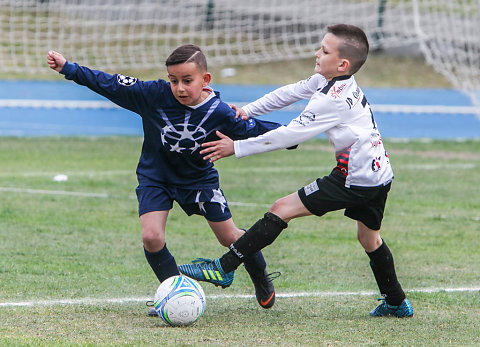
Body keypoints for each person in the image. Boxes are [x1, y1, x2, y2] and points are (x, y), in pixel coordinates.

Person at [179, 24, 413, 317]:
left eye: (325, 51)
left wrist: (236, 147)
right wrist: (248, 111)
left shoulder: (332, 99)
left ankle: (224, 268)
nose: (317, 53)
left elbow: (290, 135)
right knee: (369, 239)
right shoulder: (332, 82)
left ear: (343, 64)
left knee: (281, 208)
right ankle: (396, 302)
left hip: (354, 177)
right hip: (378, 173)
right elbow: (289, 92)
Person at [46, 45, 284, 313]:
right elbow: (111, 84)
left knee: (229, 236)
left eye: (187, 81)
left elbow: (259, 131)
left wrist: (296, 134)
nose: (179, 88)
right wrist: (70, 68)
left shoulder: (222, 113)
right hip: (155, 177)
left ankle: (260, 276)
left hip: (199, 181)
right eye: (173, 81)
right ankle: (174, 295)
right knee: (151, 237)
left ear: (205, 80)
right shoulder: (154, 95)